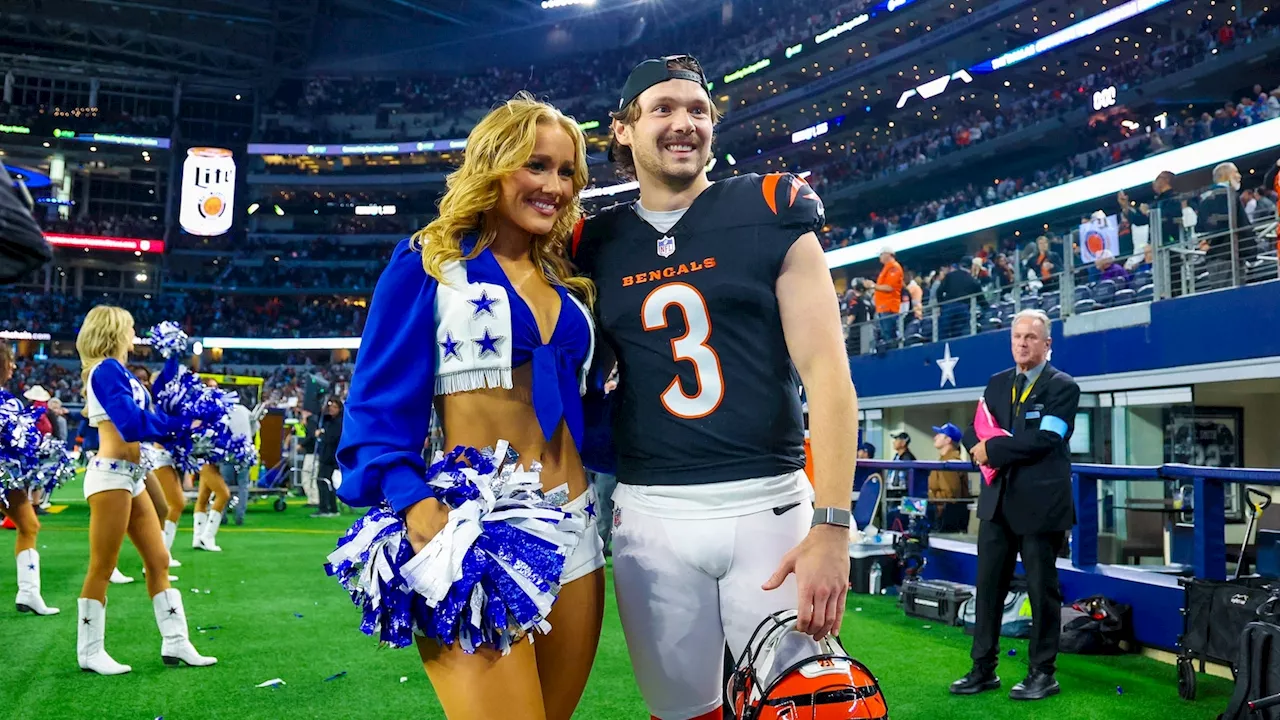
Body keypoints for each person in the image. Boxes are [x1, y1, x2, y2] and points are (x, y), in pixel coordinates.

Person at [572, 54, 857, 720]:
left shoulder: (770, 206)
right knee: (683, 713)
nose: (683, 124)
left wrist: (833, 528)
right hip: (651, 517)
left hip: (770, 507)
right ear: (622, 129)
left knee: (813, 709)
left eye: (697, 110)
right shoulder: (594, 241)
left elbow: (830, 378)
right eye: (663, 109)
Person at [332, 92, 604, 720]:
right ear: (494, 164)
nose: (554, 186)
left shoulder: (568, 276)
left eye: (567, 172)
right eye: (536, 165)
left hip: (580, 531)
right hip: (477, 531)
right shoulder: (430, 262)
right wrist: (415, 503)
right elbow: (375, 405)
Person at [75, 305, 215, 675]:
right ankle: (89, 652)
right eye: (130, 327)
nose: (134, 333)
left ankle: (176, 643)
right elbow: (131, 424)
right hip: (110, 478)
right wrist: (180, 425)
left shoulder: (119, 372)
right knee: (102, 567)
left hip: (132, 476)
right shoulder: (105, 371)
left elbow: (146, 417)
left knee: (159, 560)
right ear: (114, 330)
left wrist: (185, 420)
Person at [951, 309, 1079, 701]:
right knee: (988, 589)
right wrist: (981, 443)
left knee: (1043, 592)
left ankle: (1043, 673)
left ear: (1047, 344)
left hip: (1041, 508)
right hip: (997, 505)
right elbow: (974, 427)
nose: (1022, 343)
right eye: (1017, 337)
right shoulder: (996, 383)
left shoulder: (1063, 387)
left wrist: (991, 449)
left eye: (1031, 337)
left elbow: (1047, 440)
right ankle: (982, 669)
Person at [0, 341, 63, 616]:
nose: (13, 366)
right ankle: (28, 592)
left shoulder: (9, 399)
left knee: (29, 524)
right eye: (9, 361)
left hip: (7, 475)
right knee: (28, 525)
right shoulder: (6, 402)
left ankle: (29, 592)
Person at [130, 363, 186, 569]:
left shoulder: (157, 402)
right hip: (136, 461)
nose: (144, 383)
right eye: (139, 378)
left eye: (146, 380)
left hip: (146, 460)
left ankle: (158, 560)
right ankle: (157, 559)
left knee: (162, 508)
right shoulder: (129, 401)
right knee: (169, 506)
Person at [312, 396, 343, 518]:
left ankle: (327, 507)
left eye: (334, 407)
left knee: (326, 482)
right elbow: (321, 415)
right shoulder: (329, 420)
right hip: (327, 456)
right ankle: (329, 507)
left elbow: (332, 438)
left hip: (331, 457)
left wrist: (322, 434)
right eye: (330, 407)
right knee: (326, 482)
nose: (331, 409)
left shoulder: (338, 423)